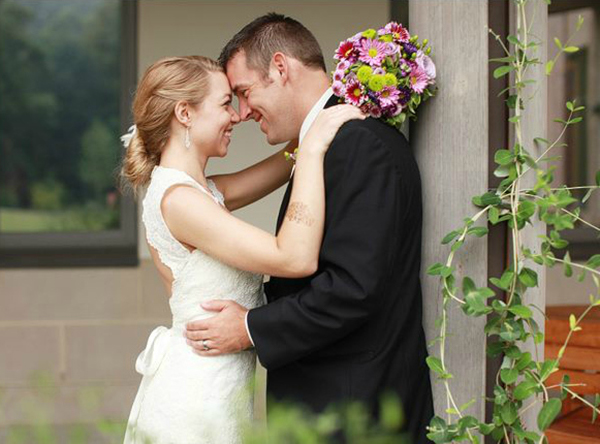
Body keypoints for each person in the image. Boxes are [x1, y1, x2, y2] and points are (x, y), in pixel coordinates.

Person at [185, 13, 435, 444]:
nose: (242, 113)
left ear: (280, 68)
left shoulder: (359, 145)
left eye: (244, 93)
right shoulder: (326, 143)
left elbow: (353, 287)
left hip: (356, 410)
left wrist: (249, 327)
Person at [119, 55, 363, 443]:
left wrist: (343, 97)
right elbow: (294, 257)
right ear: (185, 112)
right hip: (196, 396)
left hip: (222, 389)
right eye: (223, 104)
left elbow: (288, 159)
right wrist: (314, 149)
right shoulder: (180, 201)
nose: (236, 116)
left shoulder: (205, 192)